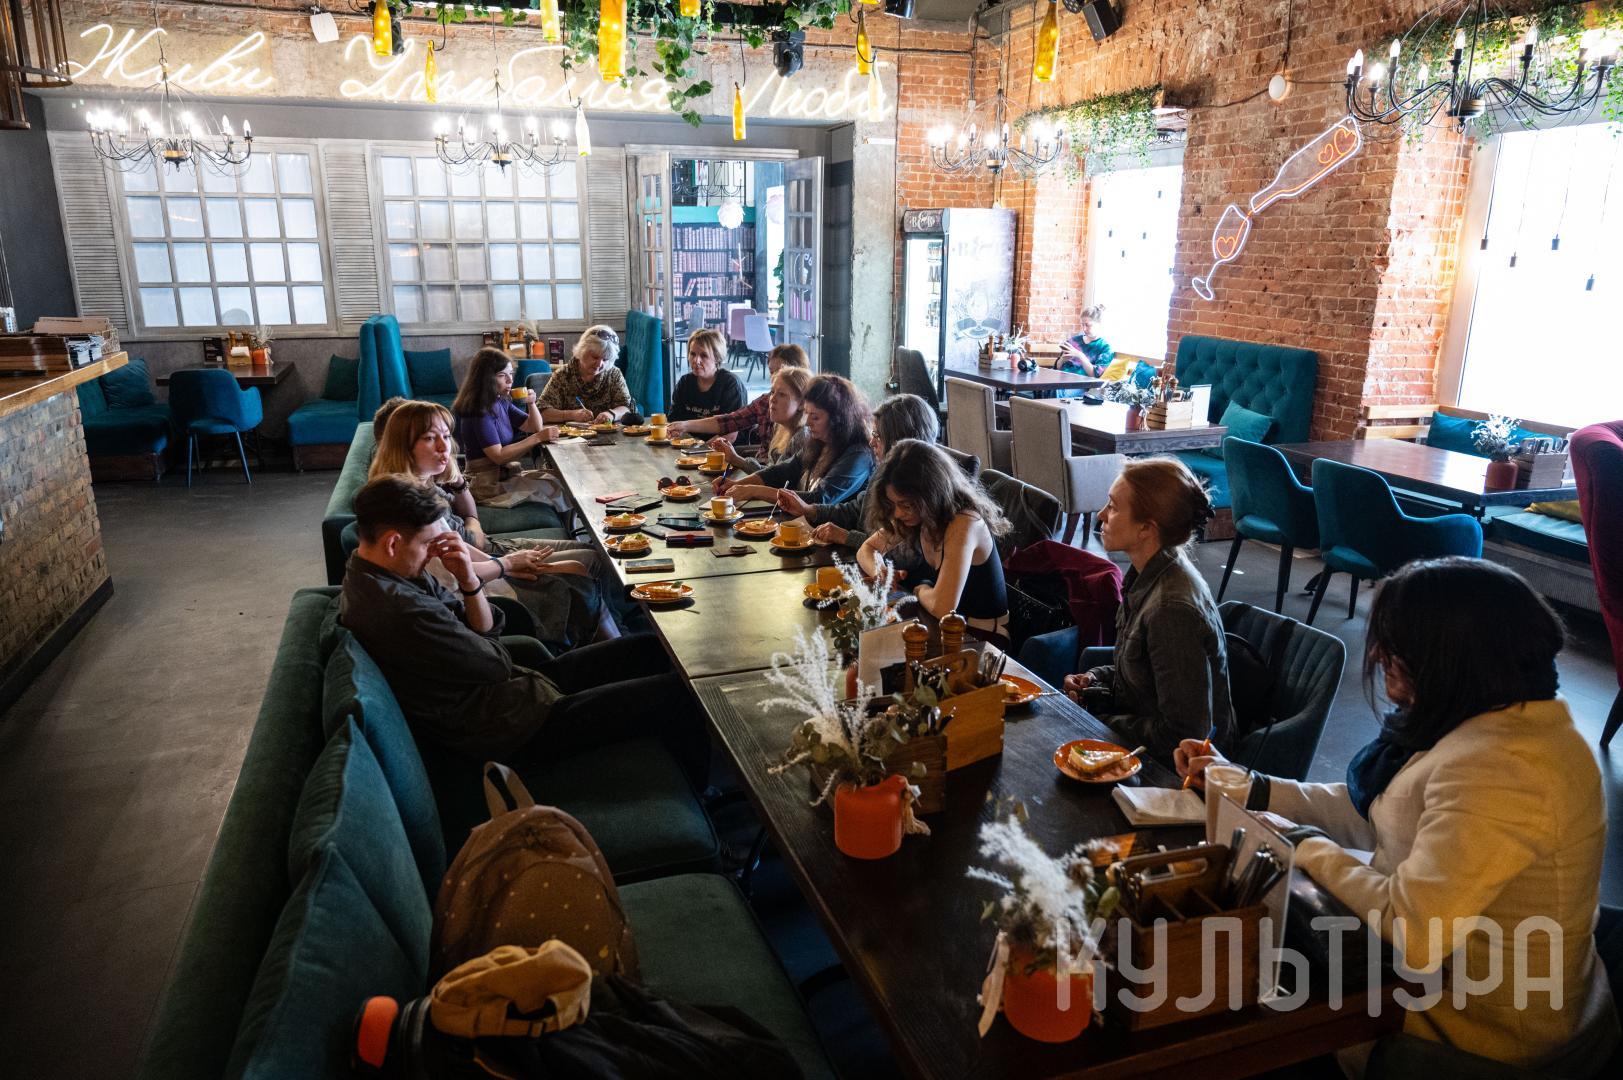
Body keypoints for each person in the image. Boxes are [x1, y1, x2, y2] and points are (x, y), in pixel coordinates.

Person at [1176, 558, 1618, 1077]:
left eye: (1396, 644)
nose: (1379, 655)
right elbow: (1383, 811)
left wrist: (1302, 843)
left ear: (1450, 656)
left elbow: (1413, 930)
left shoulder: (1508, 769)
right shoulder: (1486, 719)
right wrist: (1248, 786)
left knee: (1220, 1014)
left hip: (1477, 1045)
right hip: (1427, 992)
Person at [338, 475, 707, 780]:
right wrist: (479, 625)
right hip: (512, 729)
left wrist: (469, 580)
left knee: (650, 648)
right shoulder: (401, 610)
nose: (435, 553)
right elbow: (495, 662)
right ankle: (703, 799)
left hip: (517, 690)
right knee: (681, 694)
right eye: (428, 544)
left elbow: (482, 634)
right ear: (392, 543)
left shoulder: (379, 571)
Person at [370, 400, 614, 646]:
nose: (445, 447)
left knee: (586, 561)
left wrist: (499, 559)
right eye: (430, 438)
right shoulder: (406, 504)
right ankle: (610, 644)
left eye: (446, 436)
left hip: (485, 566)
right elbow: (449, 575)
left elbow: (458, 546)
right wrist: (505, 564)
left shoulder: (421, 486)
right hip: (483, 593)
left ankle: (612, 639)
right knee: (581, 567)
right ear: (403, 446)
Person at [1061, 457, 1232, 756]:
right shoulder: (1150, 574)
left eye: (1113, 507)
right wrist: (1095, 678)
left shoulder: (1171, 610)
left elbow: (1184, 736)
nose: (1101, 514)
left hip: (1173, 770)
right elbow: (1144, 674)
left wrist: (1098, 721)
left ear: (1146, 528)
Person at [857, 439, 1009, 635]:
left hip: (981, 637)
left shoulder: (965, 523)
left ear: (930, 495)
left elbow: (942, 607)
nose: (897, 513)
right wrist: (880, 570)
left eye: (906, 505)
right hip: (941, 626)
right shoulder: (920, 514)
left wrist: (920, 589)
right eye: (893, 504)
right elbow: (867, 549)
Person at [779, 392, 941, 557]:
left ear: (899, 442)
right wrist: (808, 509)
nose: (871, 442)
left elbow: (905, 557)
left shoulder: (921, 490)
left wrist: (847, 537)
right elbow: (856, 511)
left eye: (877, 436)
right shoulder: (884, 471)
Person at [717, 374, 873, 506]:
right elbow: (784, 470)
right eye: (807, 414)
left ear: (838, 419)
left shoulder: (858, 455)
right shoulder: (820, 441)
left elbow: (820, 499)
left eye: (815, 417)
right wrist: (738, 484)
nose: (808, 423)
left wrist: (755, 491)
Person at [451, 347, 559, 501]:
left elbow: (534, 427)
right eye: (502, 375)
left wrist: (531, 403)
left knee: (557, 479)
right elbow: (498, 456)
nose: (510, 380)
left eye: (511, 374)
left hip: (502, 476)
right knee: (554, 487)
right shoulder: (479, 410)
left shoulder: (500, 400)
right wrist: (538, 438)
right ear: (486, 378)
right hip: (485, 485)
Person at [666, 343, 808, 445]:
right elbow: (729, 421)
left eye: (780, 372)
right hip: (759, 468)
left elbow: (783, 470)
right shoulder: (764, 402)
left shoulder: (809, 421)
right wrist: (685, 425)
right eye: (771, 372)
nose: (774, 378)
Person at [704, 366, 811, 475]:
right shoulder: (781, 428)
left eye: (782, 394)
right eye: (772, 392)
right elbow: (771, 474)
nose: (772, 399)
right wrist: (734, 458)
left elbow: (774, 479)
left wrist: (736, 460)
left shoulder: (801, 437)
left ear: (802, 403)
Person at [537, 326, 634, 424]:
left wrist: (612, 414)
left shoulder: (614, 374)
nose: (599, 364)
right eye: (595, 357)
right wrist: (571, 415)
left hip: (607, 432)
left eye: (605, 359)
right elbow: (541, 412)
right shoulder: (563, 375)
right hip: (570, 433)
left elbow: (627, 407)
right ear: (582, 351)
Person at [669, 328, 746, 422]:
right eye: (692, 354)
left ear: (717, 358)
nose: (696, 361)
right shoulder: (684, 382)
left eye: (704, 355)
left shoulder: (730, 384)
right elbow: (673, 420)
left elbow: (733, 428)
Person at [1059, 304, 1132, 382]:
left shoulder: (1105, 348)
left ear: (1099, 324)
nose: (1084, 329)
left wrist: (1080, 356)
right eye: (1082, 325)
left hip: (1080, 384)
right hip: (1060, 380)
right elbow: (1057, 367)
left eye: (1088, 325)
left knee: (1058, 389)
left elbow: (1096, 375)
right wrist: (1062, 359)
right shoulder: (1074, 341)